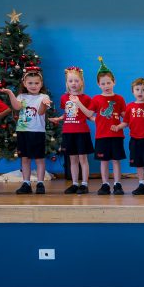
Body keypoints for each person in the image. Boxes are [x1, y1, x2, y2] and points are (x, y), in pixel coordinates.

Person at [0, 66, 51, 195]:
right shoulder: (22, 96)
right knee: (25, 159)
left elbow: (40, 112)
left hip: (38, 132)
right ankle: (26, 183)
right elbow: (16, 106)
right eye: (30, 83)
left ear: (41, 84)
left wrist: (44, 103)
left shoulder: (44, 96)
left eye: (36, 83)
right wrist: (10, 93)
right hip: (23, 132)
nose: (33, 85)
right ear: (24, 83)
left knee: (39, 159)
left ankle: (40, 183)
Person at [48, 66, 94, 195]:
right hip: (68, 132)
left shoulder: (86, 98)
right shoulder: (64, 98)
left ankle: (84, 184)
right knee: (72, 159)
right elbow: (68, 114)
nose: (73, 83)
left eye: (76, 81)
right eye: (70, 81)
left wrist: (97, 119)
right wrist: (59, 118)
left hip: (82, 132)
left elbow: (88, 114)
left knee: (83, 159)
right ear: (67, 83)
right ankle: (74, 183)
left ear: (81, 82)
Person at [90, 58, 128, 195]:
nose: (106, 86)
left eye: (109, 83)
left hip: (117, 135)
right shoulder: (96, 99)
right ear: (98, 84)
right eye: (103, 83)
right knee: (104, 161)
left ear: (114, 82)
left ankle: (117, 184)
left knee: (116, 161)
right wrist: (95, 119)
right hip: (101, 135)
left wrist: (125, 124)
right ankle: (105, 184)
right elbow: (89, 113)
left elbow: (126, 116)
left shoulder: (119, 99)